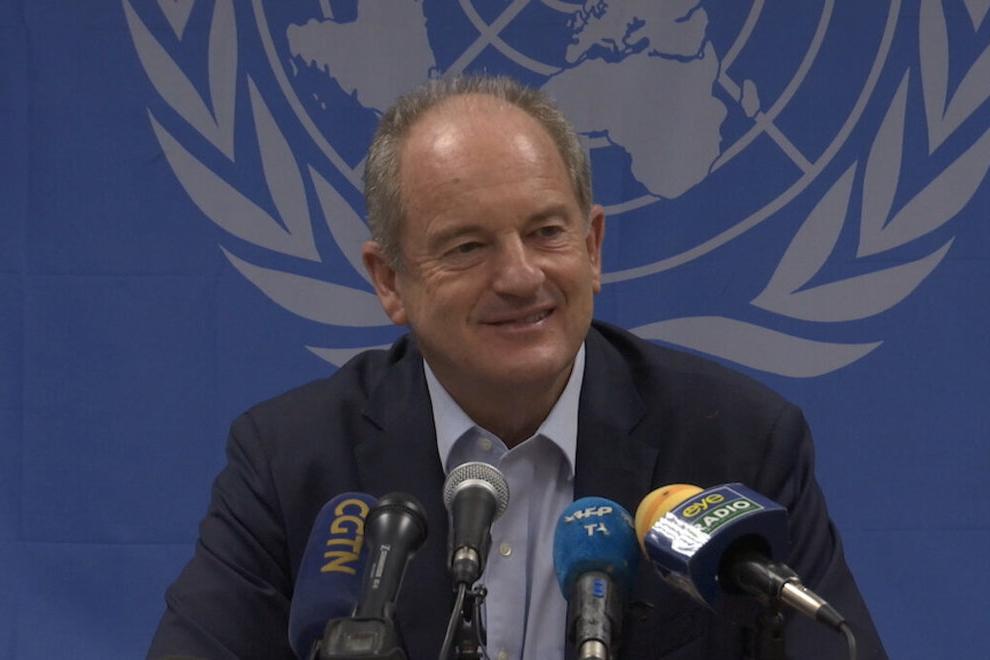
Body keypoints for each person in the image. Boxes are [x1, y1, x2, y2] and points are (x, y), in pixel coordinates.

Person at [149, 75, 887, 659]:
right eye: (467, 247)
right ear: (389, 281)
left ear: (592, 249)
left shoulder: (737, 444)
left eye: (546, 232)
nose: (520, 276)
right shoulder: (293, 464)